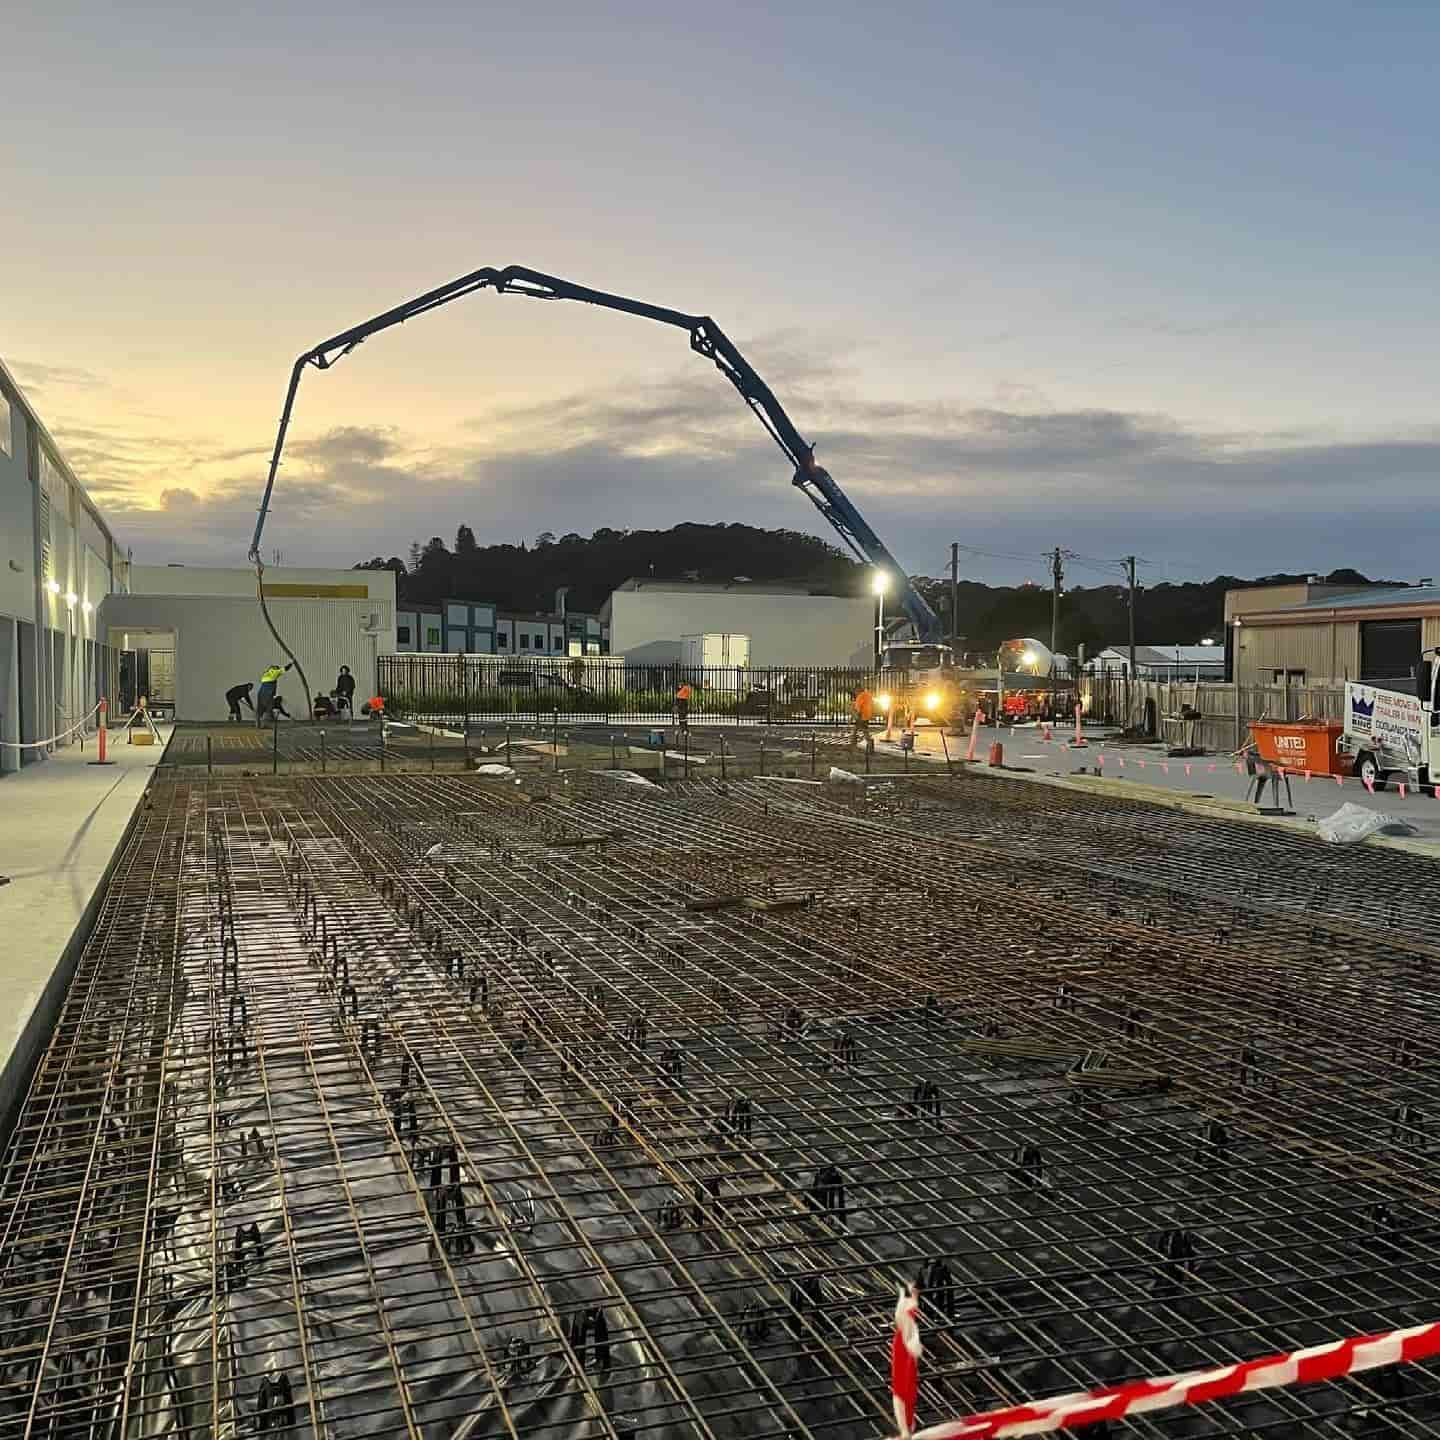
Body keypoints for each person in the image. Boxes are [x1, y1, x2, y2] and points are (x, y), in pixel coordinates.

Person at [256, 661, 293, 727]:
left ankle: (258, 724)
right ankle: (265, 724)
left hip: (260, 693)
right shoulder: (274, 672)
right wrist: (291, 663)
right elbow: (284, 669)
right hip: (268, 693)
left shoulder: (266, 673)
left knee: (260, 709)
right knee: (268, 709)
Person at [849, 685, 876, 750]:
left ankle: (870, 744)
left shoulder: (860, 696)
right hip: (867, 715)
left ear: (857, 690)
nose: (855, 693)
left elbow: (858, 709)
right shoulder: (868, 695)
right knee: (856, 728)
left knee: (865, 731)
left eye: (855, 691)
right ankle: (853, 742)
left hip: (862, 716)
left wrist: (855, 716)